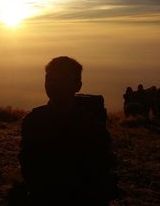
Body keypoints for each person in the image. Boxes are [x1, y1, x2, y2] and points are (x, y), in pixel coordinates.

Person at [19, 56, 117, 206]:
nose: (54, 83)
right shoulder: (32, 122)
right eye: (50, 78)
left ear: (78, 86)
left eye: (63, 78)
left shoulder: (91, 126)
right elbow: (28, 165)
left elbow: (100, 173)